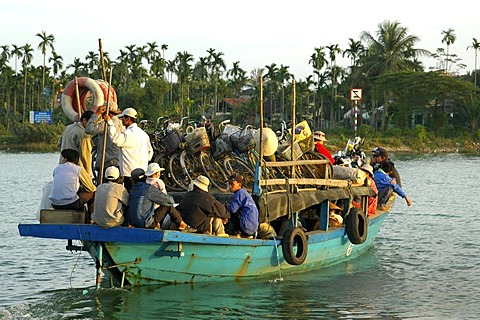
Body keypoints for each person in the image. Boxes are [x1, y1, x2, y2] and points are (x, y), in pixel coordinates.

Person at [105, 107, 153, 192]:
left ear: (128, 119)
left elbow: (115, 139)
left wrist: (110, 123)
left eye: (123, 118)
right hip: (143, 172)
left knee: (131, 195)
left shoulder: (128, 134)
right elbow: (150, 153)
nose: (121, 120)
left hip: (130, 174)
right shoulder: (144, 134)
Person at [49, 148, 96, 213]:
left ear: (65, 159)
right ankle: (91, 218)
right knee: (92, 193)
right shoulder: (78, 169)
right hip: (69, 204)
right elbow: (91, 188)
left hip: (54, 203)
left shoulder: (57, 168)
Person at [85, 104, 124, 180]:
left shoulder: (106, 124)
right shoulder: (122, 123)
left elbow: (89, 129)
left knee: (103, 188)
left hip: (106, 162)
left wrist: (96, 114)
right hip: (118, 161)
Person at [59, 111, 94, 176]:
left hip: (62, 168)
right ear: (84, 120)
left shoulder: (67, 128)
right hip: (76, 171)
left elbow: (59, 144)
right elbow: (85, 157)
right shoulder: (83, 134)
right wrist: (88, 176)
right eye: (92, 123)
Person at [224, 173, 259, 237]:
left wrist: (226, 205)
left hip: (246, 226)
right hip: (253, 228)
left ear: (239, 184)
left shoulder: (239, 193)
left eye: (232, 184)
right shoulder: (245, 193)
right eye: (229, 184)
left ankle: (232, 233)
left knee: (230, 211)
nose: (230, 186)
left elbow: (232, 209)